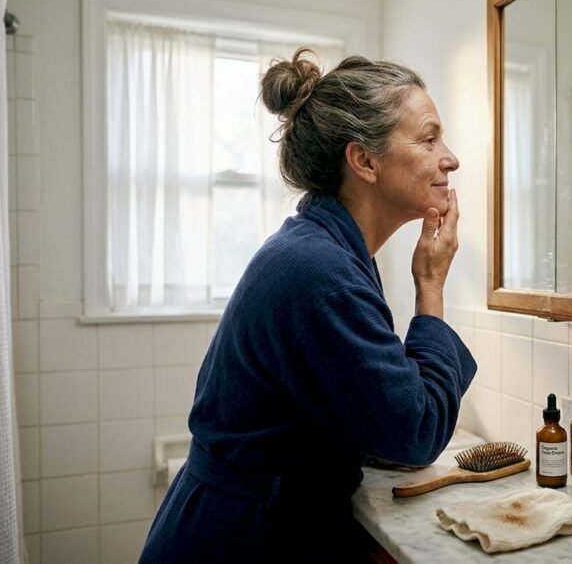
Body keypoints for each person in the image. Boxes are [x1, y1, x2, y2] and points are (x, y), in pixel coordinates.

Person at [139, 48, 476, 562]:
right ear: (364, 160)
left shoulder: (320, 251)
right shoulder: (321, 273)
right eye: (429, 139)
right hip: (241, 540)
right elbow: (416, 432)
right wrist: (430, 287)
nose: (450, 158)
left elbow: (354, 407)